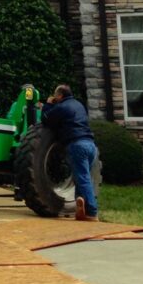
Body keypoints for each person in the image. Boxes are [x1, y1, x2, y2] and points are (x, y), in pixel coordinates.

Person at [41, 84, 99, 221]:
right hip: (91, 145)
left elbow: (46, 119)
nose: (55, 97)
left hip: (77, 145)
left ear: (60, 95)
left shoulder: (61, 107)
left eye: (56, 95)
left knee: (83, 179)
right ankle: (80, 210)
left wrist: (48, 105)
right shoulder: (79, 105)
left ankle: (92, 212)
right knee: (80, 178)